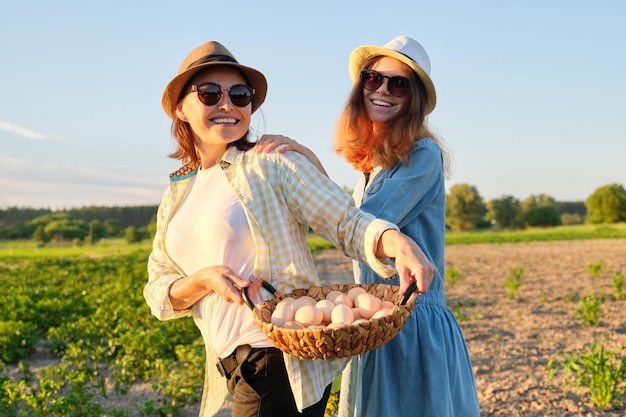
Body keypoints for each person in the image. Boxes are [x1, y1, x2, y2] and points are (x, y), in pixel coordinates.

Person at [143, 40, 437, 417]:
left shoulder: (271, 165)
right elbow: (158, 290)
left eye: (240, 94)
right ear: (181, 108)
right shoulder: (177, 194)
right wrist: (203, 280)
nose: (227, 104)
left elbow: (346, 221)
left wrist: (397, 242)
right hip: (233, 365)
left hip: (278, 360)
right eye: (210, 93)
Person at [257, 36, 480, 417]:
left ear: (415, 99)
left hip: (410, 323)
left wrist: (306, 159)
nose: (382, 90)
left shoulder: (422, 154)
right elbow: (350, 223)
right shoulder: (372, 166)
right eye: (372, 78)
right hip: (376, 319)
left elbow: (360, 224)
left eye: (399, 83)